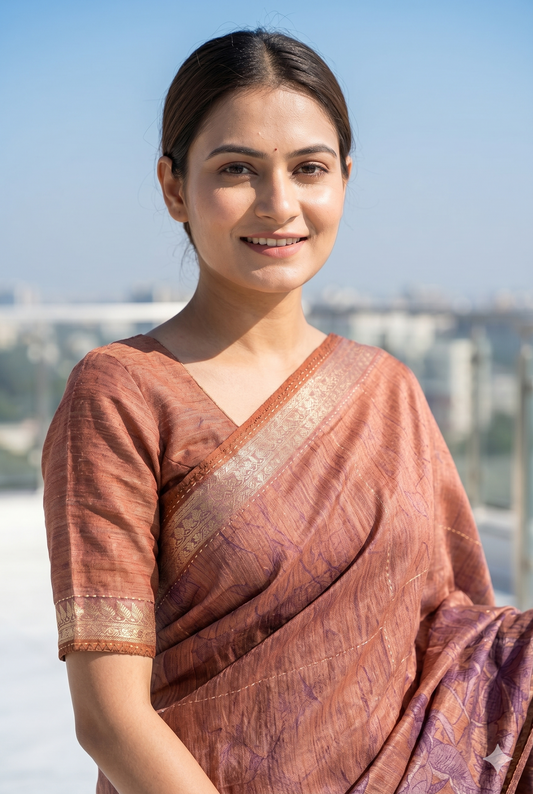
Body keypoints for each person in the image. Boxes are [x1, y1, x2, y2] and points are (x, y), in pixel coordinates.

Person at [43, 29, 533, 794]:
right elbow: (109, 717)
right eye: (236, 169)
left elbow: (462, 649)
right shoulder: (122, 394)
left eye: (309, 168)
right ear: (173, 187)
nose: (279, 205)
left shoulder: (386, 390)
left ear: (344, 179)